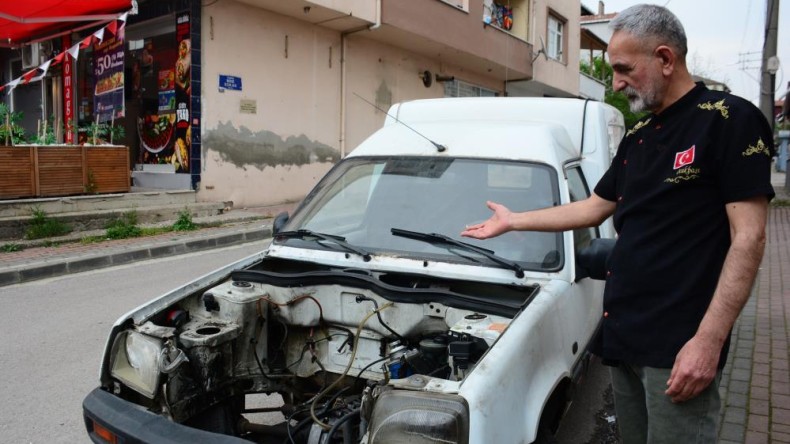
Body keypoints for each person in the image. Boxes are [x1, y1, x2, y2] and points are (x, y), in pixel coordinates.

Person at [461, 4, 775, 443]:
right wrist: (514, 221)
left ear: (665, 59)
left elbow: (750, 238)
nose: (616, 82)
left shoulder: (728, 120)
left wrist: (709, 341)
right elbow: (593, 207)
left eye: (624, 69)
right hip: (624, 335)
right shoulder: (639, 135)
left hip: (678, 347)